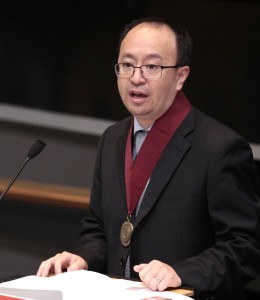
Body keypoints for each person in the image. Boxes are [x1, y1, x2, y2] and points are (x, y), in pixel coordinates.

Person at [36, 17, 260, 300]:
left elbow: (245, 247)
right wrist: (84, 259)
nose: (136, 77)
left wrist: (182, 273)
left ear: (181, 76)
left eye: (152, 66)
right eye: (127, 65)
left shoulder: (220, 147)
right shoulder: (112, 138)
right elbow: (99, 229)